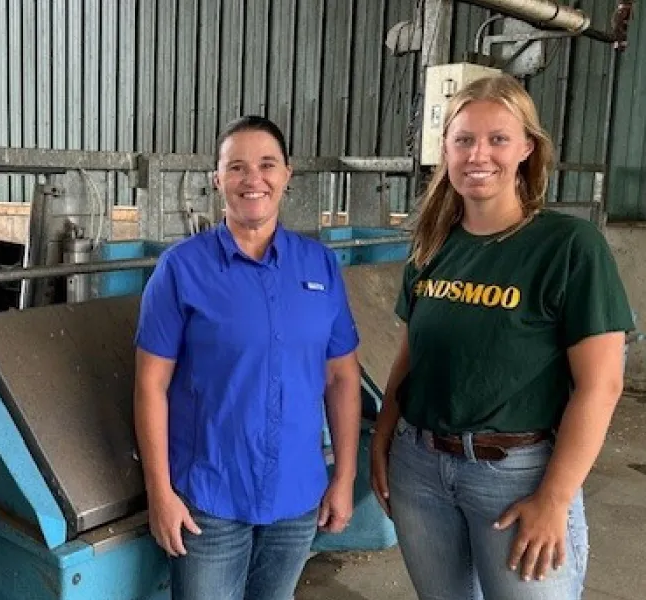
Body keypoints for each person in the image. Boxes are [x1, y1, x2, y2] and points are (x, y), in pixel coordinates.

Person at [370, 74, 633, 600]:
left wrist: (554, 499)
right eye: (463, 139)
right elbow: (412, 353)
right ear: (444, 149)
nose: (478, 154)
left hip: (516, 477)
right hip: (420, 467)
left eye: (497, 138)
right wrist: (383, 437)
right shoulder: (432, 245)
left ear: (527, 148)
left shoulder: (567, 246)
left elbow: (601, 385)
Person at [134, 115, 362, 600]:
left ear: (287, 175)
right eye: (236, 167)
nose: (252, 179)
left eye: (266, 165)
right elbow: (150, 385)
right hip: (209, 500)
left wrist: (344, 477)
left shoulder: (319, 264)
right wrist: (160, 492)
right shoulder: (181, 269)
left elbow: (342, 376)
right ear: (217, 180)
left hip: (297, 497)